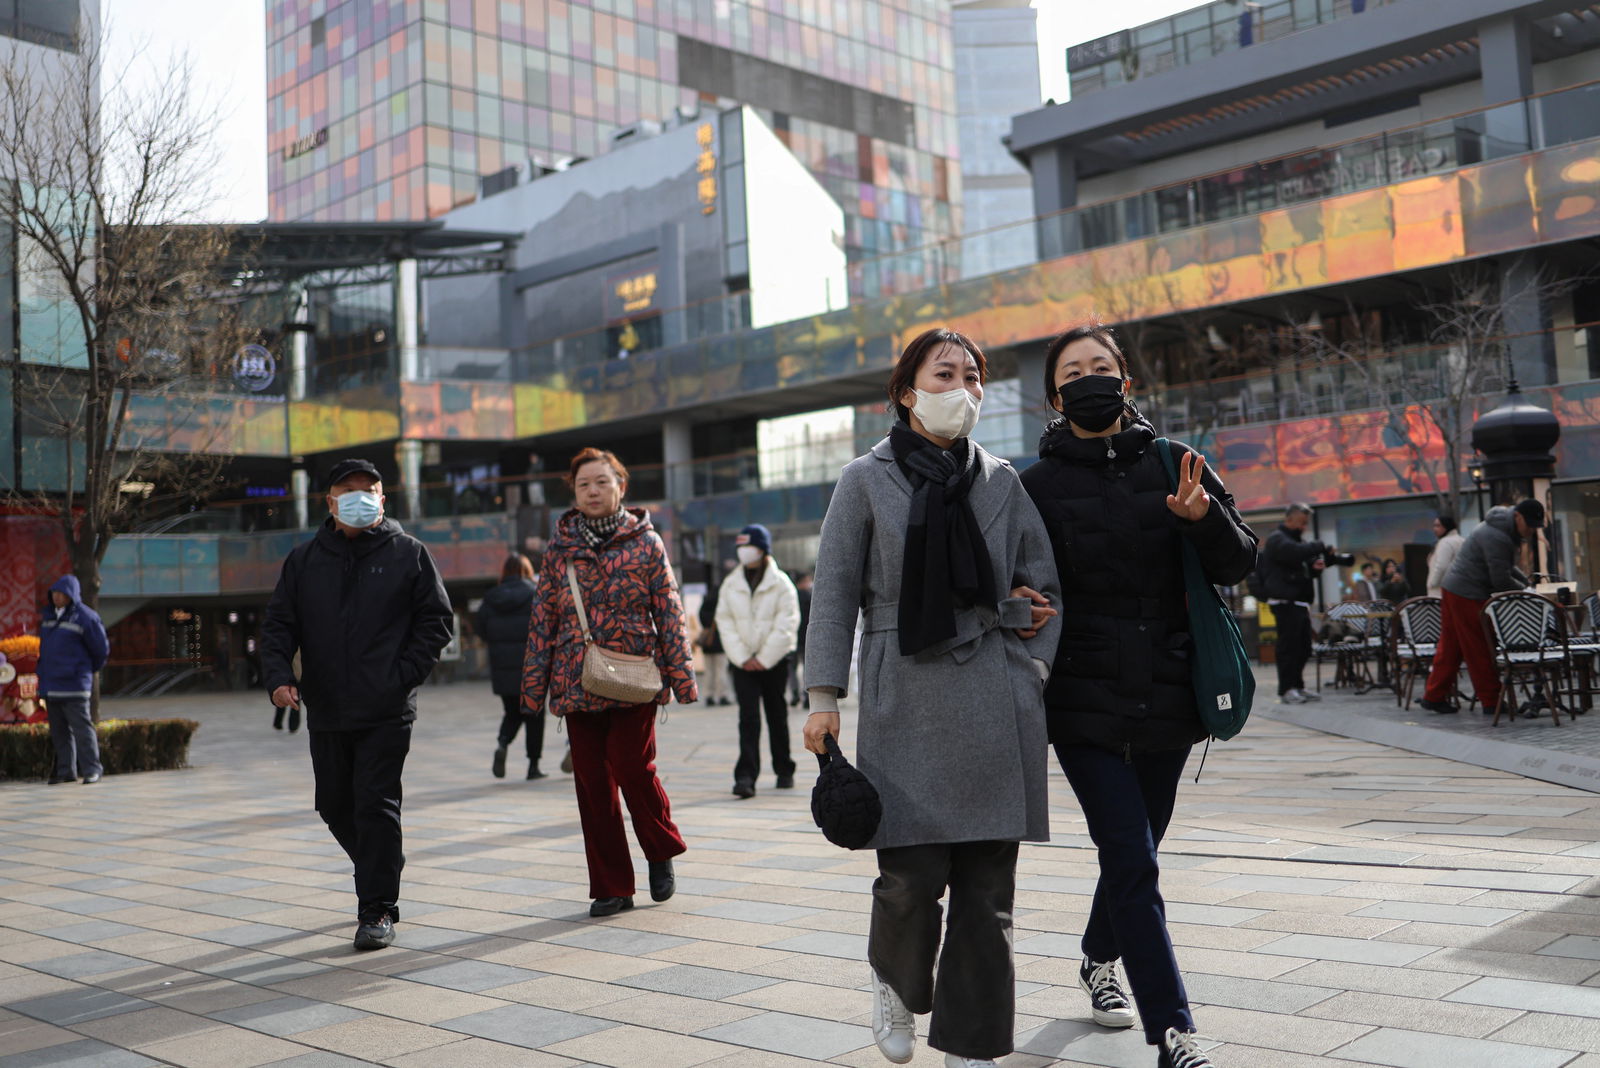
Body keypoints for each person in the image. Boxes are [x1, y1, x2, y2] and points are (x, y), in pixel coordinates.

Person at [803, 327, 1062, 1068]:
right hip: (902, 692)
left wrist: (1030, 666)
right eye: (944, 373)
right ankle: (894, 981)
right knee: (910, 880)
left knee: (988, 892)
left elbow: (1045, 593)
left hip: (994, 694)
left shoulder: (1002, 481)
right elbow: (834, 598)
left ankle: (971, 1044)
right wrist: (824, 696)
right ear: (906, 390)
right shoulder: (864, 479)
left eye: (974, 376)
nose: (963, 388)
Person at [1019, 323, 1257, 1068]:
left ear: (1126, 382)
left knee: (1134, 854)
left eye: (1103, 366)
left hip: (1169, 693)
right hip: (1081, 704)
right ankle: (1175, 1031)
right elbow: (1012, 585)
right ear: (1056, 397)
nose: (1090, 379)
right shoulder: (1033, 487)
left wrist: (1202, 518)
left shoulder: (1175, 463)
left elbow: (1242, 559)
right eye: (1074, 371)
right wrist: (1019, 604)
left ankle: (1098, 958)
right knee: (1131, 853)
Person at [262, 458, 453, 950]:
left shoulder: (408, 553)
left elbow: (436, 621)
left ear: (383, 498)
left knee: (375, 804)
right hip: (327, 706)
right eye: (348, 489)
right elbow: (279, 625)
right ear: (329, 501)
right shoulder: (304, 560)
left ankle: (376, 910)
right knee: (332, 804)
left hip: (387, 708)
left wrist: (402, 677)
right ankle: (381, 860)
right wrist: (280, 677)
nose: (359, 496)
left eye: (369, 489)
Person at [521, 447, 697, 918]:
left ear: (621, 485)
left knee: (632, 766)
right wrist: (533, 689)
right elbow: (543, 621)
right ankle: (612, 885)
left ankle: (659, 849)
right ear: (574, 494)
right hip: (577, 680)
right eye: (583, 485)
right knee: (592, 786)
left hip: (635, 677)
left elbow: (670, 612)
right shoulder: (559, 551)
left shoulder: (645, 542)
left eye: (602, 481)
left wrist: (682, 678)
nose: (593, 491)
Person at [1420, 499, 1545, 716]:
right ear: (1517, 516)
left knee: (1452, 647)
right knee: (1479, 647)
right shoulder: (1497, 536)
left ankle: (1433, 696)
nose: (1532, 530)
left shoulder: (1500, 530)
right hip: (1467, 593)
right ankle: (1491, 701)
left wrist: (1525, 583)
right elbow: (1499, 579)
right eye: (1530, 524)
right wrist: (1527, 592)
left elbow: (1506, 567)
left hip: (1454, 589)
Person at [716, 524, 801, 798]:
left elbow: (787, 624)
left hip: (774, 662)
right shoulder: (731, 583)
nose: (743, 552)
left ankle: (784, 769)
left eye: (748, 547)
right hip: (743, 664)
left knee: (777, 714)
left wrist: (764, 658)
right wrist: (742, 657)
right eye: (740, 547)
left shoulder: (782, 584)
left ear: (764, 550)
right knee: (748, 718)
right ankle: (745, 777)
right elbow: (724, 621)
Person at [479, 553, 545, 780]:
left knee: (512, 712)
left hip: (502, 667)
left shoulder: (491, 597)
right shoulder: (535, 594)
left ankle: (502, 742)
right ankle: (533, 766)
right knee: (534, 714)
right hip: (531, 666)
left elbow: (481, 628)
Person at [1257, 503, 1331, 705]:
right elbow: (1294, 553)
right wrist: (1318, 546)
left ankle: (1297, 686)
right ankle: (1286, 689)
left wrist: (1315, 567)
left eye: (1306, 523)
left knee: (1304, 647)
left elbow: (1303, 564)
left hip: (1299, 601)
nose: (1303, 527)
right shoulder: (1277, 539)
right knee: (1288, 647)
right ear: (1290, 519)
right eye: (1302, 522)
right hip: (1284, 601)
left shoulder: (1297, 542)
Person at [39, 575, 109, 785]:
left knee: (82, 729)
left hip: (74, 684)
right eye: (54, 593)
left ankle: (92, 769)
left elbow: (101, 650)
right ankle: (66, 771)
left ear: (72, 595)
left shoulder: (86, 617)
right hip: (51, 684)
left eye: (62, 593)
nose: (57, 597)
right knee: (59, 732)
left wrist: (84, 671)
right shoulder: (49, 617)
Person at [696, 572, 731, 707]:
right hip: (720, 641)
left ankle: (709, 695)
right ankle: (722, 695)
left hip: (708, 643)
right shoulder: (722, 602)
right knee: (721, 669)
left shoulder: (706, 602)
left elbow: (701, 616)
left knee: (709, 670)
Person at [789, 572, 813, 707]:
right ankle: (806, 697)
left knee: (792, 669)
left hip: (793, 638)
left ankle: (794, 695)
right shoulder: (809, 597)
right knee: (806, 669)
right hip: (806, 638)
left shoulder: (790, 596)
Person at [1426, 514, 1463, 599]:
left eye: (1438, 526)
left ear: (1446, 526)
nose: (1434, 529)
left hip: (1440, 591)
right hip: (1458, 587)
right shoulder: (1461, 540)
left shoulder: (1445, 542)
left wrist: (1432, 583)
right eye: (1434, 526)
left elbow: (1441, 566)